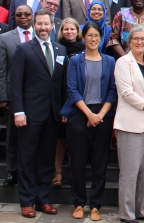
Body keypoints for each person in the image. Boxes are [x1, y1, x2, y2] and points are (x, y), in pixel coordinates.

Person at [9, 9, 68, 218]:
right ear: (34, 25)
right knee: (27, 158)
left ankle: (43, 199)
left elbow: (62, 83)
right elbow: (15, 83)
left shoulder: (61, 50)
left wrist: (64, 109)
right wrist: (18, 111)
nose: (43, 27)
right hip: (29, 114)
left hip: (52, 114)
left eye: (46, 24)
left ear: (53, 26)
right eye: (39, 24)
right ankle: (26, 201)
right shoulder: (24, 49)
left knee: (46, 159)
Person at [61, 23, 116, 222]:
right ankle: (78, 203)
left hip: (103, 115)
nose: (93, 39)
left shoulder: (110, 61)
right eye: (89, 36)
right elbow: (72, 89)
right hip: (79, 114)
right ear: (83, 38)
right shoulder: (75, 61)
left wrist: (100, 114)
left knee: (100, 164)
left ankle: (95, 206)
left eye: (96, 36)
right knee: (77, 162)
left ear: (101, 38)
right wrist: (89, 114)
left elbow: (112, 90)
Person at [112, 25, 144, 223]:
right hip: (130, 124)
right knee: (130, 171)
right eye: (136, 39)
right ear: (129, 42)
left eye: (143, 39)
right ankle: (127, 213)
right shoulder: (123, 63)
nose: (140, 42)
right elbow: (126, 93)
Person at [0, 5, 33, 186]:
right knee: (13, 136)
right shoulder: (5, 38)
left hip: (35, 94)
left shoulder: (42, 34)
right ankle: (12, 170)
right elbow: (1, 70)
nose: (23, 17)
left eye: (27, 14)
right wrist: (3, 96)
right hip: (13, 95)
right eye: (19, 15)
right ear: (14, 17)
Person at [54, 17, 84, 187]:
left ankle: (75, 171)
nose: (69, 32)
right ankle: (57, 172)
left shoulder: (84, 50)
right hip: (60, 99)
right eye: (66, 29)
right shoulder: (57, 49)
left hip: (79, 101)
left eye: (72, 29)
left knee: (75, 140)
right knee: (60, 139)